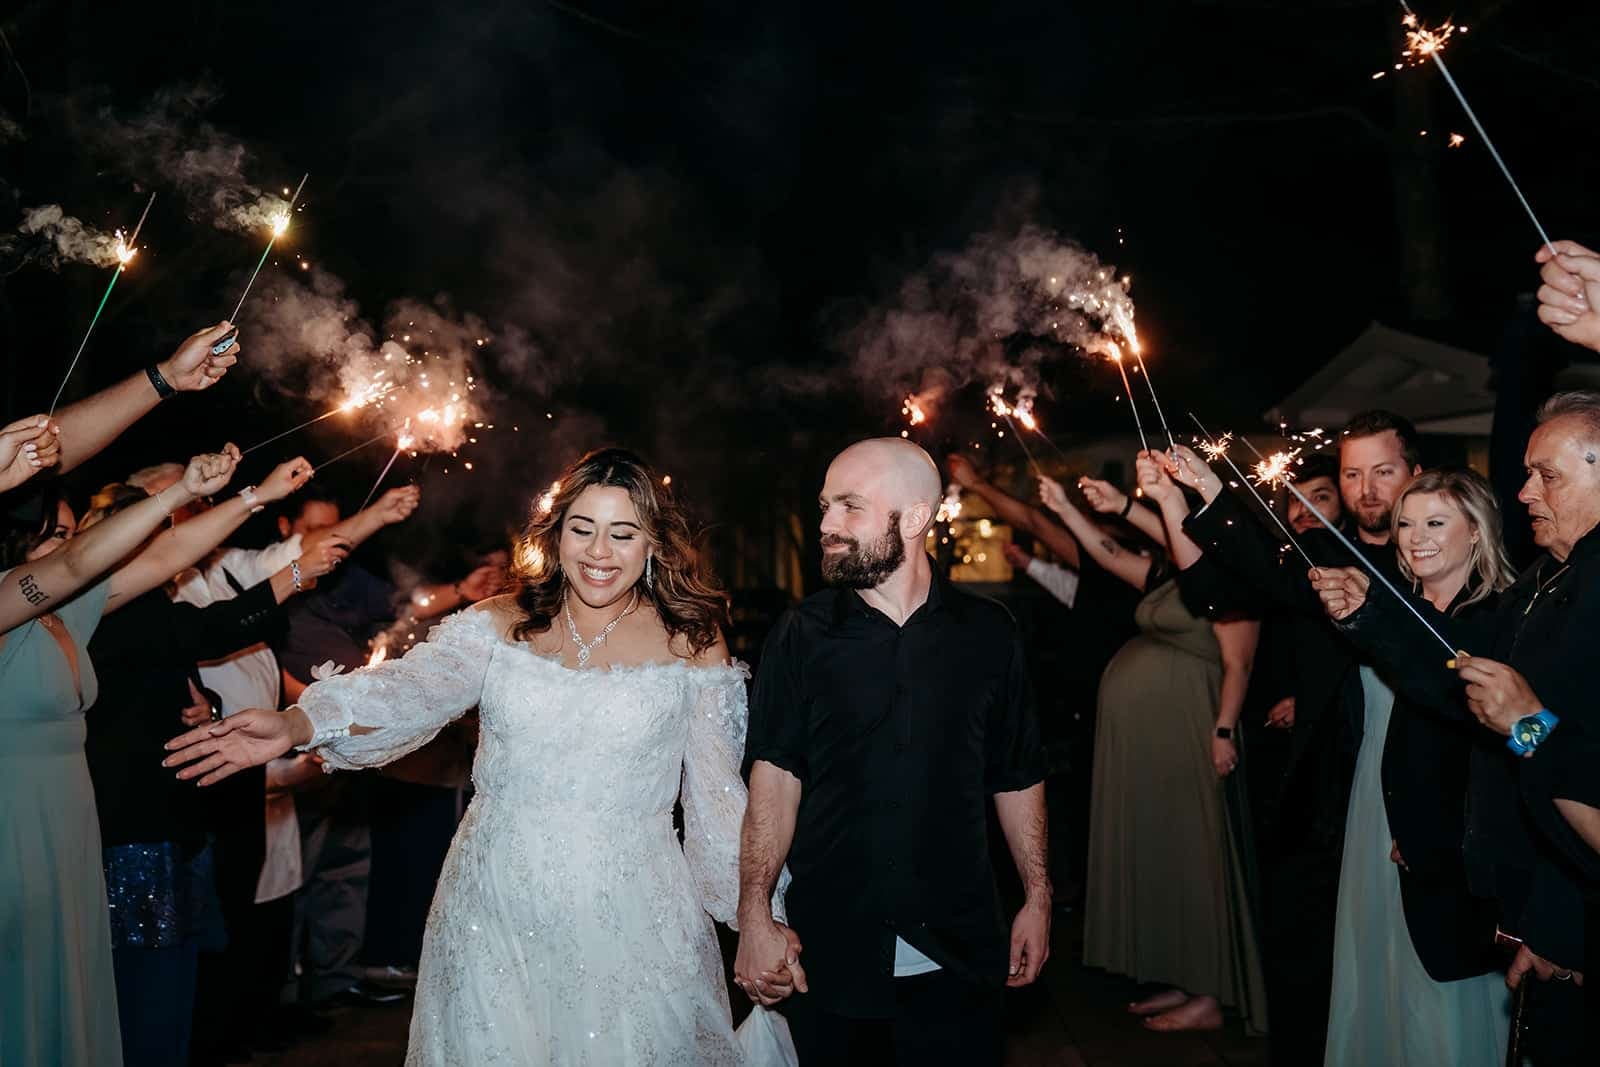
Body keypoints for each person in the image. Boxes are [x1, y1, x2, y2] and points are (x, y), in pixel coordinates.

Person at [163, 447, 795, 1065]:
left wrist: (757, 915)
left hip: (636, 911)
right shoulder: (499, 622)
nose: (599, 553)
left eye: (622, 533)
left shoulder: (692, 643)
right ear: (556, 534)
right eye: (583, 529)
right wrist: (298, 720)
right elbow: (407, 691)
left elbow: (717, 803)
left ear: (653, 543)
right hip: (492, 903)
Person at [734, 438, 1049, 1066]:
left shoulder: (988, 633)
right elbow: (774, 782)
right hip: (832, 949)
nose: (826, 525)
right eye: (826, 506)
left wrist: (1037, 896)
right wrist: (754, 915)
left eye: (850, 507)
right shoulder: (801, 634)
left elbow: (1015, 775)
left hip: (959, 948)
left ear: (917, 516)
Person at [1313, 393, 1600, 1063]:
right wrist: (1371, 617)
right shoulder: (1548, 579)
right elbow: (1454, 677)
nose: (1525, 489)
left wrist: (1527, 724)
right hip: (1545, 896)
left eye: (1546, 474)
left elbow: (1564, 757)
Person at [1166, 411, 1422, 1066]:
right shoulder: (1327, 552)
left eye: (1383, 472)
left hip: (1418, 792)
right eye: (1352, 474)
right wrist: (1196, 495)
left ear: (1415, 475)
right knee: (1314, 961)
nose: (1366, 490)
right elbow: (1242, 575)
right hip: (1331, 787)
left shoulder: (1435, 549)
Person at [75, 459, 326, 1066]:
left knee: (180, 977)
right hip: (133, 826)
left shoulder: (140, 606)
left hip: (175, 821)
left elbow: (179, 671)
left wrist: (202, 703)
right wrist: (292, 573)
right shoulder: (102, 608)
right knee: (145, 991)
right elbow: (206, 632)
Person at [0, 447, 241, 1067]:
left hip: (71, 826)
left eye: (65, 533)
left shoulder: (63, 615)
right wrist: (176, 490)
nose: (63, 547)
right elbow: (83, 557)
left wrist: (256, 497)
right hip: (13, 825)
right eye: (48, 536)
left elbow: (163, 557)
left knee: (70, 985)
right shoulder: (4, 605)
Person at [1310, 469, 1515, 1065]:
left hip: (1449, 837)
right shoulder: (1395, 607)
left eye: (1434, 523)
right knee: (1381, 981)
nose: (1414, 536)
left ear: (1476, 532)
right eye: (1405, 523)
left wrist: (1434, 832)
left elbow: (1472, 734)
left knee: (1442, 1001)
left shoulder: (1494, 618)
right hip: (1378, 818)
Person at [1067, 453, 1267, 1033]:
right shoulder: (1183, 570)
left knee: (1198, 859)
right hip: (1157, 739)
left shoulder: (1232, 580)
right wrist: (1107, 506)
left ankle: (1214, 993)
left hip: (1195, 729)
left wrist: (1224, 729)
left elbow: (1241, 661)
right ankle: (1182, 976)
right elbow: (1124, 551)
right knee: (1168, 858)